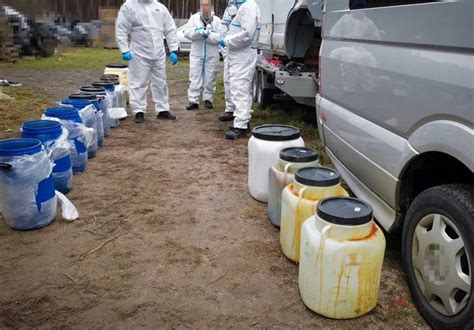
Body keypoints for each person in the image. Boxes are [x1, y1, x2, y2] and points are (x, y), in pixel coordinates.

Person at [116, 0, 179, 124]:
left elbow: (170, 29)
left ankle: (163, 110)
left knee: (160, 82)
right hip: (139, 52)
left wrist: (174, 50)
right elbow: (121, 28)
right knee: (138, 82)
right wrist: (124, 49)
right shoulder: (129, 6)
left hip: (158, 52)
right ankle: (138, 110)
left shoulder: (160, 7)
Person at [218, 0, 261, 140]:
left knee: (240, 88)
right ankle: (243, 120)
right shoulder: (242, 7)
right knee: (238, 88)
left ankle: (240, 126)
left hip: (243, 54)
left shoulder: (249, 7)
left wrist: (227, 41)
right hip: (238, 54)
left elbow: (247, 35)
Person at [184, 0, 222, 111]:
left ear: (211, 7)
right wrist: (197, 33)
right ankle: (193, 101)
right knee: (195, 76)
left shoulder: (217, 21)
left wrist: (209, 36)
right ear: (200, 7)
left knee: (210, 77)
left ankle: (208, 100)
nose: (205, 7)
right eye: (203, 5)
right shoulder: (194, 18)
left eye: (207, 5)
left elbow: (221, 37)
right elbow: (187, 32)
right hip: (197, 53)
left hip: (212, 54)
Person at [216, 1, 238, 123]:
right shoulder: (229, 7)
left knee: (239, 83)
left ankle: (240, 114)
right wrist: (224, 50)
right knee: (228, 81)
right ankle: (230, 109)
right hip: (228, 52)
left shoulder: (246, 7)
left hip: (239, 53)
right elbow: (223, 30)